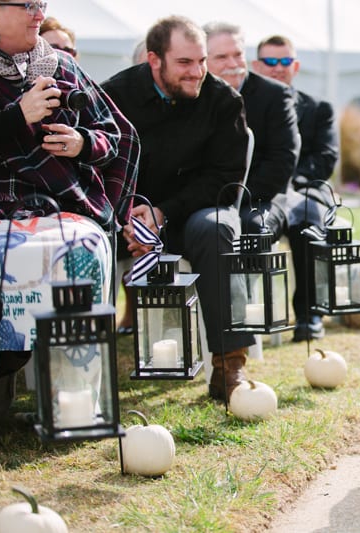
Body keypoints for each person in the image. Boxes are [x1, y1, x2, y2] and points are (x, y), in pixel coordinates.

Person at [0, 0, 138, 440]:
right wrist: (17, 116)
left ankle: (76, 405)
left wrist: (83, 142)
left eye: (41, 4)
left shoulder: (60, 64)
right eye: (28, 4)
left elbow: (118, 134)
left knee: (77, 250)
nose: (38, 12)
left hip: (67, 203)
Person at [102, 15, 252, 402]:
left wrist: (163, 213)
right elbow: (96, 166)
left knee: (215, 228)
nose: (198, 72)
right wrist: (127, 218)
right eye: (185, 63)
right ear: (154, 60)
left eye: (201, 61)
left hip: (192, 214)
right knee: (84, 236)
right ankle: (83, 374)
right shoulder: (114, 96)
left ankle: (228, 365)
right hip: (124, 217)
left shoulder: (223, 101)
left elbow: (225, 181)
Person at [252, 34, 339, 342]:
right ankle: (252, 314)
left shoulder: (318, 109)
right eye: (271, 61)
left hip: (305, 190)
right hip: (261, 192)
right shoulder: (241, 107)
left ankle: (309, 314)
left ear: (296, 66)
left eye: (285, 61)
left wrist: (290, 180)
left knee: (307, 221)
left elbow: (326, 158)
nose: (278, 68)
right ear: (256, 66)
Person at [203, 22, 299, 231]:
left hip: (260, 198)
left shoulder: (275, 95)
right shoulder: (195, 94)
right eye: (221, 57)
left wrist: (234, 197)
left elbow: (282, 161)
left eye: (238, 54)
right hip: (206, 198)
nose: (233, 63)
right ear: (203, 60)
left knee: (253, 227)